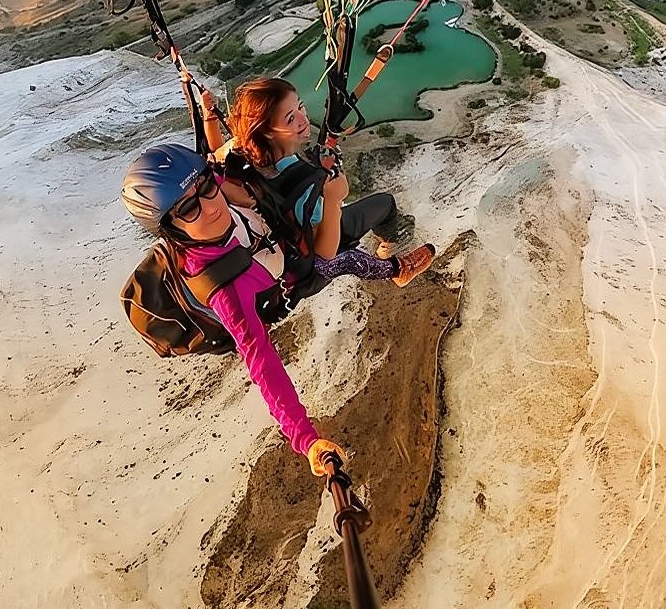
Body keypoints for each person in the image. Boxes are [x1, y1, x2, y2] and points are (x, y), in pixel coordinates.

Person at [122, 143, 344, 475]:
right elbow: (262, 361)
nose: (210, 207)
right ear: (169, 230)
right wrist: (306, 440)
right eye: (188, 209)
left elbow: (216, 164)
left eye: (207, 188)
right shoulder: (227, 290)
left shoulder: (222, 201)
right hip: (273, 295)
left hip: (269, 260)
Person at [219, 77, 435, 285]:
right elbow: (325, 255)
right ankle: (396, 266)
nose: (304, 119)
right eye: (290, 119)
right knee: (385, 205)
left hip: (284, 238)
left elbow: (215, 152)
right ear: (267, 132)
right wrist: (333, 199)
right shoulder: (299, 182)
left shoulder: (246, 153)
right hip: (314, 252)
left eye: (300, 107)